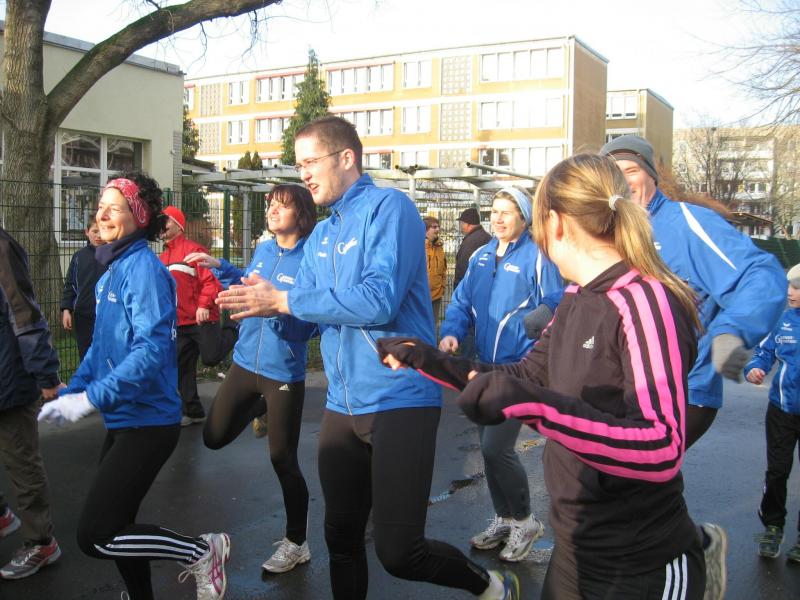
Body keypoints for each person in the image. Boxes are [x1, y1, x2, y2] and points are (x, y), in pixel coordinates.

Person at [216, 115, 520, 600]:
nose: (304, 173)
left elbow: (378, 300)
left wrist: (286, 300)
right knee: (340, 539)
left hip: (400, 397)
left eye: (311, 161)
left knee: (401, 553)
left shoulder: (389, 207)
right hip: (342, 404)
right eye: (299, 165)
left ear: (346, 158)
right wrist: (263, 306)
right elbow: (301, 327)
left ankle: (490, 586)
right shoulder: (320, 237)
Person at [379, 153, 706, 599]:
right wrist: (429, 360)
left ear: (554, 223)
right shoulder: (575, 297)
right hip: (575, 544)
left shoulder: (644, 300)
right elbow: (524, 375)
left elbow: (662, 446)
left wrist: (534, 406)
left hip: (639, 561)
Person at [601, 134, 786, 600]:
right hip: (624, 391)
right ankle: (696, 543)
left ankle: (674, 568)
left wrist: (731, 333)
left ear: (651, 175)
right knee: (623, 489)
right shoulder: (608, 233)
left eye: (631, 172)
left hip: (686, 389)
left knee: (629, 489)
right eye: (612, 176)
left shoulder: (686, 223)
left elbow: (759, 274)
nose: (623, 183)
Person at [38, 172, 231, 600]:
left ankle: (201, 551)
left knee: (96, 536)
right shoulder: (113, 268)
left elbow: (151, 352)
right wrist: (73, 393)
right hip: (125, 421)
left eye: (114, 208)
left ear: (139, 216)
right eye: (100, 207)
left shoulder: (142, 270)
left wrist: (91, 398)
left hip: (148, 425)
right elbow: (99, 349)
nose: (102, 215)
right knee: (120, 526)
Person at [184, 184, 318, 575]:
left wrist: (275, 312)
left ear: (301, 214)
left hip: (282, 373)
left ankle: (297, 542)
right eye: (270, 204)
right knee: (213, 436)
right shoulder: (264, 248)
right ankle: (261, 407)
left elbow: (311, 324)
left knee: (283, 460)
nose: (272, 210)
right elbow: (248, 281)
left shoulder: (312, 259)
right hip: (245, 363)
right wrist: (220, 266)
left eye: (282, 206)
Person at [438, 187, 562, 562]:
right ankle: (504, 518)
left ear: (524, 218)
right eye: (494, 210)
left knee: (497, 447)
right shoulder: (481, 255)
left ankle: (525, 520)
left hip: (520, 369)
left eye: (507, 212)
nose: (498, 218)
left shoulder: (538, 255)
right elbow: (461, 301)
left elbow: (558, 299)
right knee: (488, 449)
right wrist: (451, 332)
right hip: (484, 367)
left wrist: (539, 318)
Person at [0, 226, 62, 580]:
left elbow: (25, 315)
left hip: (10, 380)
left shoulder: (2, 249)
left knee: (22, 463)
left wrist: (46, 375)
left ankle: (41, 542)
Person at [160, 205, 236, 427]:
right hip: (179, 322)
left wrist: (203, 305)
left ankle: (233, 327)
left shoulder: (193, 250)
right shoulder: (161, 258)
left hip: (202, 318)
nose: (161, 226)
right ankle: (193, 411)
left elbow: (211, 282)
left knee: (211, 358)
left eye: (166, 221)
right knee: (182, 368)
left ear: (178, 225)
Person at [744, 263, 800, 563]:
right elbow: (764, 353)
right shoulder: (785, 321)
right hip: (781, 411)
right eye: (790, 286)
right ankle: (772, 528)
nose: (790, 292)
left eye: (797, 288)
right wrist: (755, 368)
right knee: (777, 471)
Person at [60, 217, 107, 360]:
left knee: (106, 356)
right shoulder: (78, 257)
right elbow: (70, 285)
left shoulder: (113, 256)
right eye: (95, 231)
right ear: (87, 232)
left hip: (107, 315)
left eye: (102, 231)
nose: (98, 236)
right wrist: (66, 309)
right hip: (83, 316)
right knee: (86, 356)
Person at [453, 207, 491, 290]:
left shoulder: (471, 241)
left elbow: (463, 268)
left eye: (461, 223)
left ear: (468, 224)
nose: (461, 226)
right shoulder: (487, 237)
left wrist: (458, 289)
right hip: (484, 285)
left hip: (469, 288)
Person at [423, 216, 446, 324]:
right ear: (426, 230)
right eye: (434, 227)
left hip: (436, 296)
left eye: (438, 226)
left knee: (433, 325)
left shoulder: (439, 247)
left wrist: (442, 287)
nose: (438, 229)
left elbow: (443, 270)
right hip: (422, 297)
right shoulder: (418, 247)